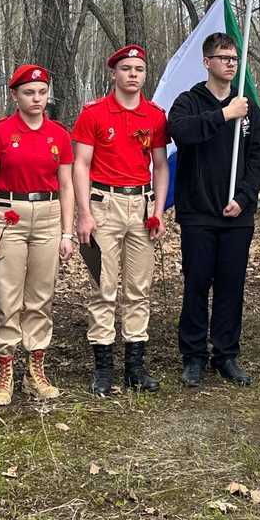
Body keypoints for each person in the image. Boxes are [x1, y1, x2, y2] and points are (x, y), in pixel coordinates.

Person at [169, 33, 260, 387]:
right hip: (198, 212)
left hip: (236, 215)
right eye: (223, 57)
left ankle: (225, 355)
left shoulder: (248, 109)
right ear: (207, 62)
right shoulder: (189, 102)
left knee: (231, 285)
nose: (230, 63)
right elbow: (181, 133)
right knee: (197, 284)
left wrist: (244, 197)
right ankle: (193, 356)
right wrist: (225, 114)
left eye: (234, 58)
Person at [71, 44, 170, 395]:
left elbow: (160, 165)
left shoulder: (155, 115)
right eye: (126, 68)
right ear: (113, 73)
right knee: (103, 287)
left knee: (139, 288)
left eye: (139, 69)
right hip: (104, 204)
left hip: (141, 205)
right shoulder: (95, 113)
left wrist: (158, 209)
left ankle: (135, 367)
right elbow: (80, 165)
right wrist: (84, 213)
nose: (133, 75)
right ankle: (103, 369)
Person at [0, 64, 74, 406]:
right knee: (7, 298)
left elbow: (66, 185)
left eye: (42, 92)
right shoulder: (0, 132)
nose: (36, 99)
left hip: (48, 216)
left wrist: (67, 231)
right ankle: (4, 372)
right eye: (29, 92)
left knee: (41, 296)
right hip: (9, 216)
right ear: (14, 95)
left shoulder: (59, 135)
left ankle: (36, 370)